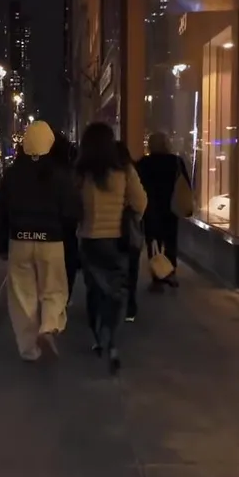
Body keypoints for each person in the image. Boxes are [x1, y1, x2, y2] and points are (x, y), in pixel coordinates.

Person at [0, 120, 82, 361]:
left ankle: (29, 349)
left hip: (19, 241)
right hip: (51, 241)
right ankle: (49, 326)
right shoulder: (59, 175)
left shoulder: (13, 174)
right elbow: (73, 211)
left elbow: (0, 212)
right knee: (55, 289)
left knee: (22, 296)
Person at [76, 122, 147, 374]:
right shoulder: (124, 171)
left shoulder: (81, 173)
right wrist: (127, 214)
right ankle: (112, 340)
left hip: (89, 240)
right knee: (116, 292)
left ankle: (97, 338)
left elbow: (74, 207)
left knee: (94, 290)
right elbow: (140, 202)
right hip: (117, 241)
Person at [137, 133, 191, 290]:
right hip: (171, 207)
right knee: (171, 241)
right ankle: (171, 272)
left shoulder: (144, 163)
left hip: (150, 208)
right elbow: (186, 183)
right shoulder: (176, 162)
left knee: (153, 242)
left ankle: (157, 274)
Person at [47, 130, 81, 300]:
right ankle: (64, 298)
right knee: (68, 263)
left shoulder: (42, 171)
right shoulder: (71, 173)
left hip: (46, 227)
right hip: (67, 227)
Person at [116, 140, 143, 322]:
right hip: (126, 229)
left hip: (98, 232)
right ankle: (129, 307)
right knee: (131, 268)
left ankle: (107, 308)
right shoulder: (128, 171)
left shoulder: (94, 172)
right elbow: (140, 202)